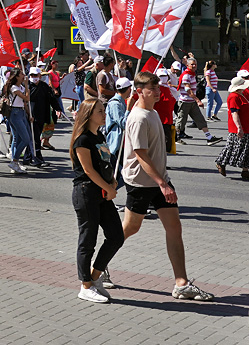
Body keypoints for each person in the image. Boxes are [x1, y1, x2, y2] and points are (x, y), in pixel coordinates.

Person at [120, 72, 215, 300]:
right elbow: (140, 155)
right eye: (152, 88)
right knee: (131, 228)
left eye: (158, 87)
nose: (158, 91)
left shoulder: (151, 112)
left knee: (174, 227)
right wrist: (162, 183)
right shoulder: (139, 117)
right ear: (140, 91)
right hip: (141, 183)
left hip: (159, 180)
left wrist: (163, 181)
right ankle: (99, 264)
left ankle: (181, 283)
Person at [70, 98, 124, 304]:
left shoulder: (99, 135)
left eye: (104, 111)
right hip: (86, 193)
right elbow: (88, 170)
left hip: (102, 191)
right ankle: (85, 286)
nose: (104, 114)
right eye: (100, 111)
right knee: (88, 241)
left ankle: (94, 277)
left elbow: (104, 162)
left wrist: (112, 181)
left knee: (116, 236)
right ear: (89, 115)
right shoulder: (82, 140)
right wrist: (108, 187)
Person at [216, 71, 249, 181]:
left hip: (246, 128)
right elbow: (234, 113)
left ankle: (245, 171)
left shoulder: (240, 95)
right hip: (239, 128)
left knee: (247, 149)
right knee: (233, 148)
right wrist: (239, 127)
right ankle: (221, 162)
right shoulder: (234, 97)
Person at [175, 60, 222, 145]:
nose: (194, 66)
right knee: (181, 121)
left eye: (195, 64)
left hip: (192, 102)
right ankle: (175, 138)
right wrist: (198, 100)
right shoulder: (186, 75)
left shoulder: (192, 74)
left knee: (200, 119)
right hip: (185, 102)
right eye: (192, 64)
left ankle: (209, 138)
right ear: (187, 65)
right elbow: (188, 90)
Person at [2, 69, 33, 175]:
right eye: (21, 74)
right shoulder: (14, 88)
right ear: (17, 77)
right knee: (25, 139)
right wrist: (27, 85)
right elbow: (27, 98)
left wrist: (28, 114)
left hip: (21, 112)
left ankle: (15, 163)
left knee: (16, 138)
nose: (24, 75)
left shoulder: (20, 87)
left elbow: (24, 103)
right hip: (15, 113)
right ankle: (15, 160)